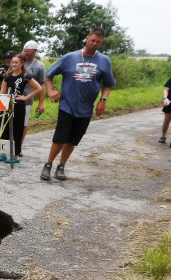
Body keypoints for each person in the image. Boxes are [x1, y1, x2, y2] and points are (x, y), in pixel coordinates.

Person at [39, 27, 116, 181]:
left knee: (73, 139)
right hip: (67, 105)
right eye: (92, 40)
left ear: (101, 43)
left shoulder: (104, 61)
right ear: (87, 38)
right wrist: (51, 90)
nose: (94, 44)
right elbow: (49, 75)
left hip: (86, 108)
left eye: (98, 42)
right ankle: (48, 164)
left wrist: (103, 100)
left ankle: (61, 166)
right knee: (60, 137)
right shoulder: (70, 57)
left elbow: (108, 84)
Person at [0, 53, 42, 163]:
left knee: (17, 130)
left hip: (19, 106)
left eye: (16, 62)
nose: (13, 64)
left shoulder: (25, 76)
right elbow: (2, 92)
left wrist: (26, 97)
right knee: (4, 129)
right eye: (12, 62)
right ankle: (2, 153)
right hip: (6, 106)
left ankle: (16, 155)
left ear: (22, 63)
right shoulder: (7, 77)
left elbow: (38, 88)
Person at [21, 40, 47, 150]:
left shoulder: (39, 66)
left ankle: (19, 146)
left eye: (29, 51)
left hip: (27, 98)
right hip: (14, 97)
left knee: (23, 124)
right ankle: (8, 146)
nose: (26, 53)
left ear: (35, 51)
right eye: (25, 51)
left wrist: (41, 103)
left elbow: (42, 85)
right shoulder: (19, 61)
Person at [0, 50, 17, 138]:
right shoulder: (3, 67)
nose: (8, 60)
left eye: (10, 58)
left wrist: (8, 74)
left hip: (10, 95)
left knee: (5, 120)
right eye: (7, 58)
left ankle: (2, 138)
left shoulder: (17, 69)